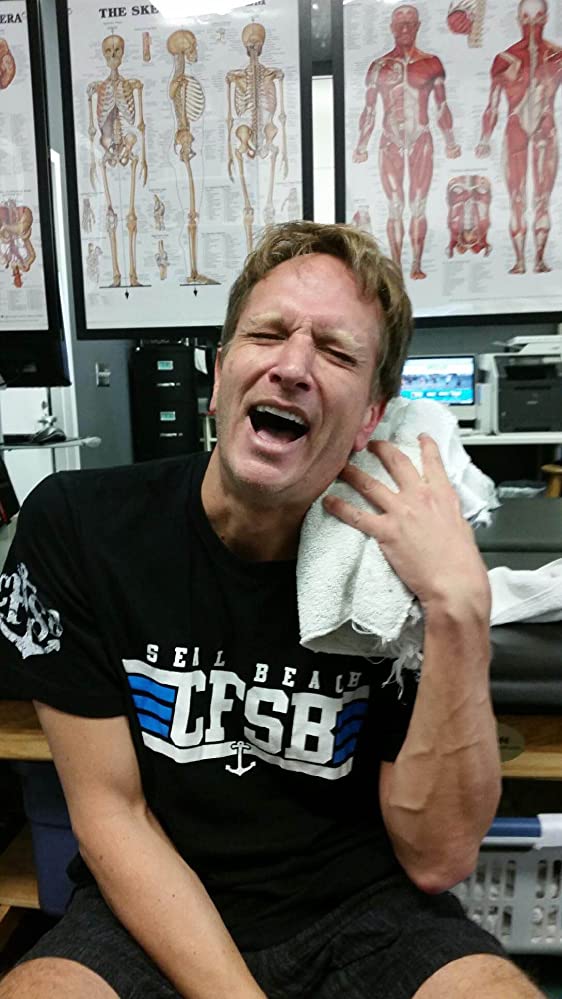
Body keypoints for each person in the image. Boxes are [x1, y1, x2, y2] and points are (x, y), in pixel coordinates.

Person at [0, 221, 543, 998]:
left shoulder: (392, 577)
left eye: (336, 351)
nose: (292, 366)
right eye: (267, 333)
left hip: (363, 912)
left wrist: (459, 609)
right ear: (220, 375)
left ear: (372, 415)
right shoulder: (81, 528)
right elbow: (113, 813)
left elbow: (438, 858)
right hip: (153, 906)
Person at [352, 4, 461, 280]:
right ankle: (397, 267)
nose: (404, 28)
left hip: (420, 138)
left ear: (418, 26)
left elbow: (441, 106)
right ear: (391, 28)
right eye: (399, 23)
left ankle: (417, 265)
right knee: (395, 206)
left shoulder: (431, 63)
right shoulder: (379, 66)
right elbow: (369, 110)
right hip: (389, 140)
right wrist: (362, 145)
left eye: (410, 23)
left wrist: (450, 141)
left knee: (418, 205)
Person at [475, 0, 562, 275]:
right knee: (517, 198)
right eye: (526, 17)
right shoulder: (505, 59)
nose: (532, 24)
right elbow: (492, 105)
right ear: (518, 19)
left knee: (542, 199)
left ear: (546, 18)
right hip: (516, 129)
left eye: (537, 17)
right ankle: (520, 261)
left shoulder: (558, 56)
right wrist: (484, 139)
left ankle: (539, 259)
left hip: (546, 128)